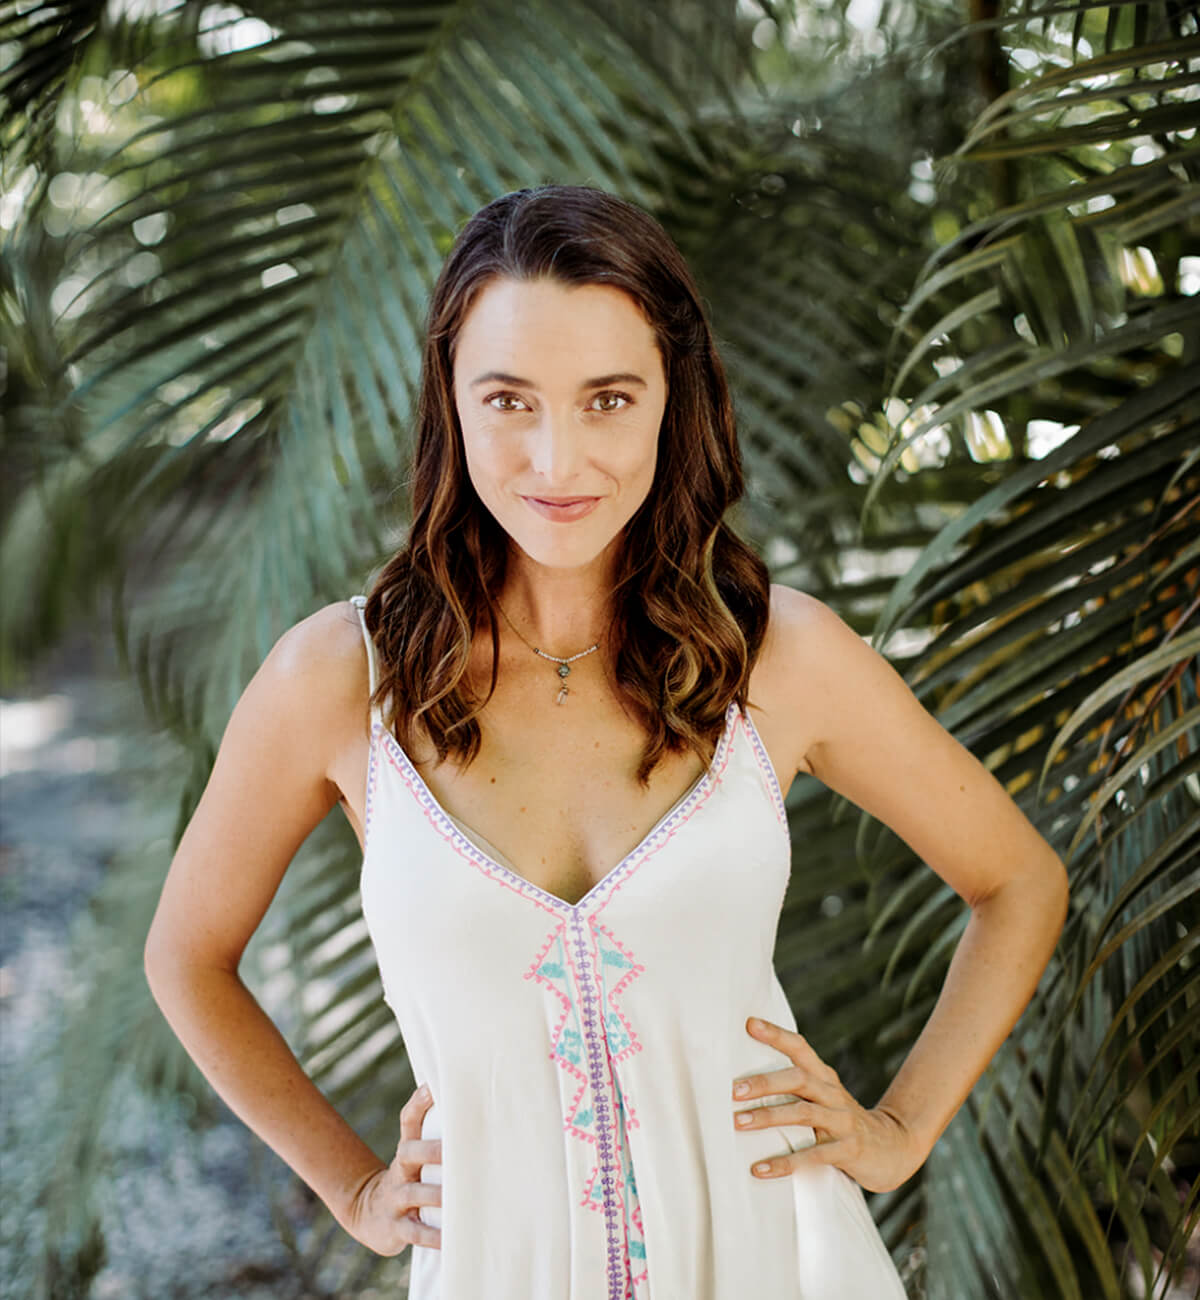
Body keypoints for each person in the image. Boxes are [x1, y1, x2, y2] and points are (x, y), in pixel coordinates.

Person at [144, 184, 1070, 1298]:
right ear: (451, 401)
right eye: (509, 400)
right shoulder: (340, 681)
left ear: (673, 399)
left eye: (608, 399)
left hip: (783, 1262)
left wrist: (898, 1131)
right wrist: (353, 1191)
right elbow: (186, 957)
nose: (556, 458)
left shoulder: (780, 659)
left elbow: (1019, 880)